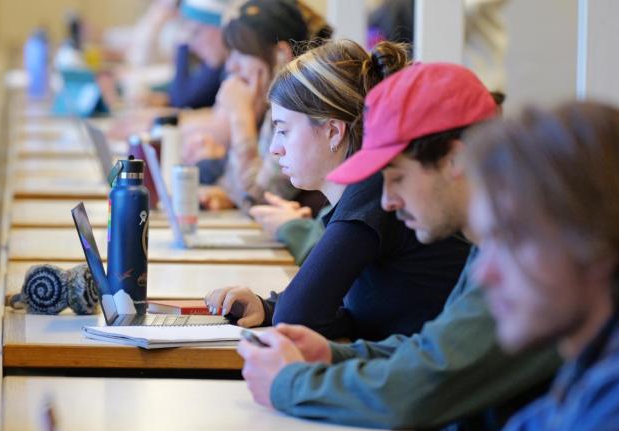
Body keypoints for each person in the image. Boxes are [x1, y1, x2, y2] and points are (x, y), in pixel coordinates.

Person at [235, 62, 561, 430]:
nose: (387, 201)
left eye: (398, 178)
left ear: (455, 160)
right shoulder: (495, 241)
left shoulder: (527, 257)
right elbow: (432, 348)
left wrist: (288, 384)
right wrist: (332, 354)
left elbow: (418, 392)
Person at [205, 40, 471, 341]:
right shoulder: (364, 193)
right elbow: (357, 314)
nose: (276, 149)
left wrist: (280, 310)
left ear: (333, 131)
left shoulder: (372, 192)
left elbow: (297, 318)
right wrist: (267, 308)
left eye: (284, 130)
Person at [463, 102, 619, 430]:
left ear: (599, 237)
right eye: (487, 243)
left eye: (512, 240)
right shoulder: (600, 360)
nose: (483, 274)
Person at [198, 0, 329, 211]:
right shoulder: (275, 107)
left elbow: (257, 199)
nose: (231, 65)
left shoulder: (300, 108)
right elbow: (242, 190)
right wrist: (228, 195)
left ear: (281, 54)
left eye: (241, 52)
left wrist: (241, 117)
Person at [169, 0, 231, 109]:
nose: (192, 46)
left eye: (196, 33)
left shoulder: (235, 66)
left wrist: (182, 46)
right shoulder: (219, 61)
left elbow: (182, 99)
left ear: (221, 27)